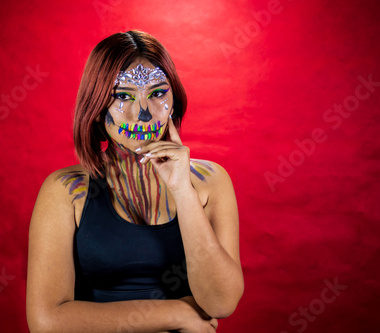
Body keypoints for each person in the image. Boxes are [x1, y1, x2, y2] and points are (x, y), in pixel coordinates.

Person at [26, 30, 243, 333]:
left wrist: (182, 190)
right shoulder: (66, 191)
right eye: (123, 96)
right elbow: (47, 322)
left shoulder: (210, 181)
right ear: (97, 107)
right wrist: (177, 313)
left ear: (174, 101)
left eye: (157, 94)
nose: (143, 113)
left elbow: (221, 303)